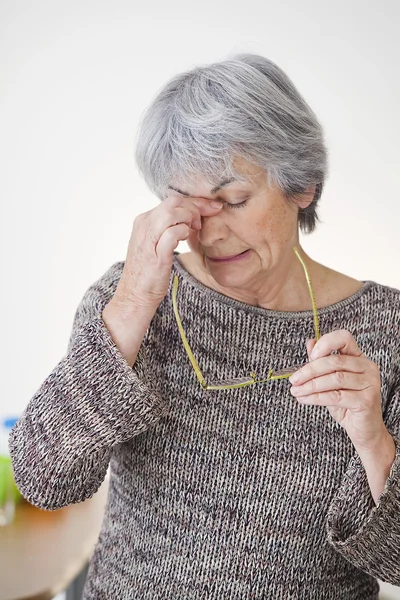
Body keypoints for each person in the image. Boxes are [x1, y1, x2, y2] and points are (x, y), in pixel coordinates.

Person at [9, 53, 400, 599]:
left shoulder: (386, 329)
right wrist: (133, 303)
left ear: (303, 186)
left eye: (233, 200)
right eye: (187, 205)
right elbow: (42, 478)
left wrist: (373, 438)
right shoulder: (132, 298)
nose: (209, 234)